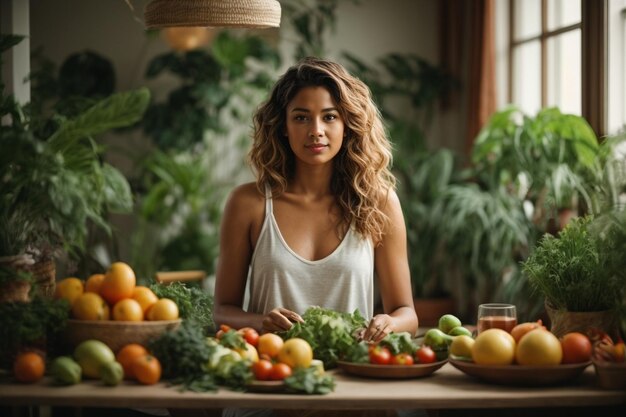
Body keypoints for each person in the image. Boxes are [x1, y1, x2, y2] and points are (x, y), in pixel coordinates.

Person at [213, 56, 418, 346]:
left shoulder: (380, 202)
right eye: (301, 117)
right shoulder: (248, 203)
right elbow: (222, 311)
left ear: (347, 124)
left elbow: (406, 313)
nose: (316, 130)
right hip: (273, 372)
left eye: (330, 116)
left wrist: (389, 322)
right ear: (283, 125)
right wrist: (260, 322)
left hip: (354, 370)